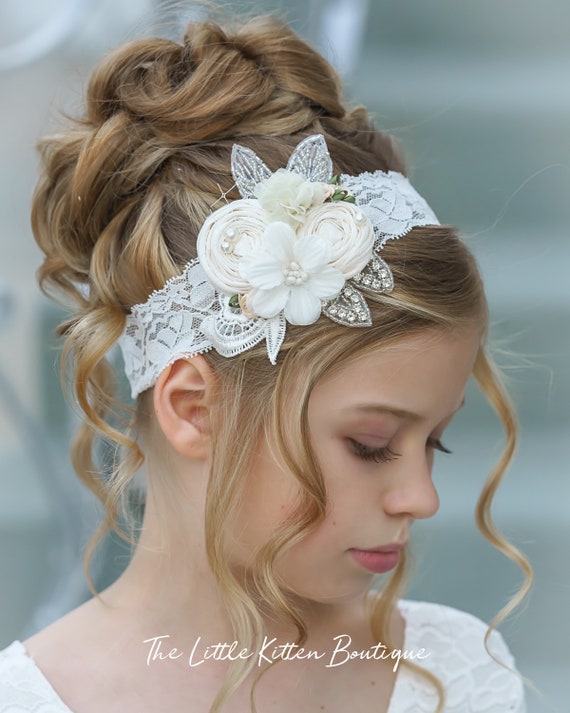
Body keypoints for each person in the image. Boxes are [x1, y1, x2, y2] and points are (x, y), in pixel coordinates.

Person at [0, 15, 532, 713]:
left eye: (434, 441)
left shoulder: (456, 675)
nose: (422, 498)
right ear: (194, 407)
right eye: (370, 445)